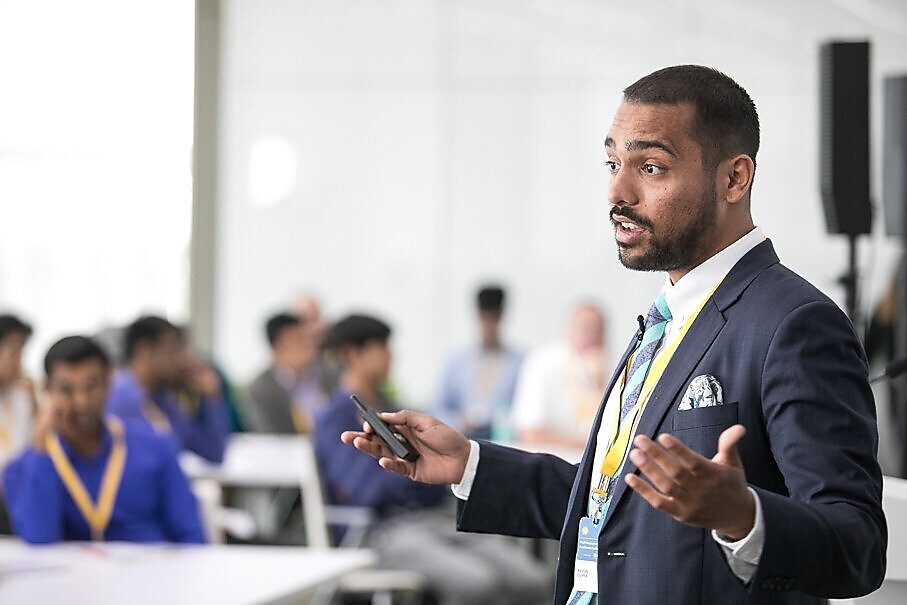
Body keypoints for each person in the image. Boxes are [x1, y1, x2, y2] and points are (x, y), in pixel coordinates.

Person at [342, 65, 887, 604]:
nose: (616, 191)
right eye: (612, 162)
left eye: (650, 167)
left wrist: (742, 515)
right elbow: (615, 505)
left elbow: (856, 546)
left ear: (733, 179)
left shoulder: (794, 324)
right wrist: (470, 465)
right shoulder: (668, 318)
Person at [318, 314, 549, 605]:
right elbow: (368, 491)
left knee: (529, 578)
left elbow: (428, 480)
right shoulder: (334, 420)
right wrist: (413, 477)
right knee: (476, 584)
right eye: (382, 347)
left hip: (432, 519)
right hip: (380, 530)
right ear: (353, 353)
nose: (391, 355)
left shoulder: (391, 411)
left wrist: (415, 476)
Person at [3, 336, 205, 543]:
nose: (81, 402)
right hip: (76, 575)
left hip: (151, 571)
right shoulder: (22, 468)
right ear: (47, 390)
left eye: (91, 387)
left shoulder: (155, 446)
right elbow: (40, 539)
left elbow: (191, 534)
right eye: (66, 390)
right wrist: (41, 445)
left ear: (109, 383)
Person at [106, 316, 229, 463]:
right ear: (144, 350)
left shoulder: (165, 401)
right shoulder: (115, 399)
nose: (182, 360)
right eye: (173, 350)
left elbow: (214, 452)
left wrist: (210, 398)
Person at [512, 302, 608, 449]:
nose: (593, 338)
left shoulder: (611, 365)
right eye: (586, 330)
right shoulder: (542, 362)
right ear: (570, 330)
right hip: (552, 459)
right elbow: (530, 432)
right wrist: (586, 445)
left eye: (599, 331)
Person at [434, 285, 522, 440]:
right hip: (462, 438)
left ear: (501, 317)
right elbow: (437, 408)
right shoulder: (455, 361)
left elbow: (526, 410)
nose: (489, 326)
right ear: (477, 316)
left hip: (503, 440)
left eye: (493, 318)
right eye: (485, 318)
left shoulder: (519, 362)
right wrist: (459, 421)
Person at [246, 313, 322, 434]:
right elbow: (268, 434)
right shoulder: (262, 388)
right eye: (298, 341)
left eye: (308, 339)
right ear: (276, 349)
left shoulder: (328, 376)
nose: (308, 345)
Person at [0, 314, 38, 470]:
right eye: (14, 352)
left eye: (22, 352)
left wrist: (35, 403)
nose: (19, 361)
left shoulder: (22, 395)